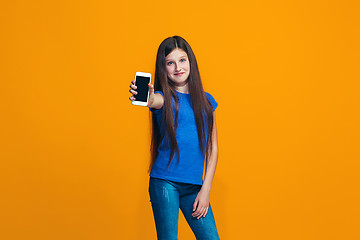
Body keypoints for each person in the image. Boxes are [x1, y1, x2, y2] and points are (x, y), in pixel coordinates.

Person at [129, 36, 220, 240]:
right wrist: (146, 96)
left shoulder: (207, 101)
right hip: (165, 182)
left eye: (182, 60)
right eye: (170, 62)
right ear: (164, 69)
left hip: (195, 186)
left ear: (190, 62)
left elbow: (213, 148)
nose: (177, 67)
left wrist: (205, 190)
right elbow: (153, 100)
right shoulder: (164, 99)